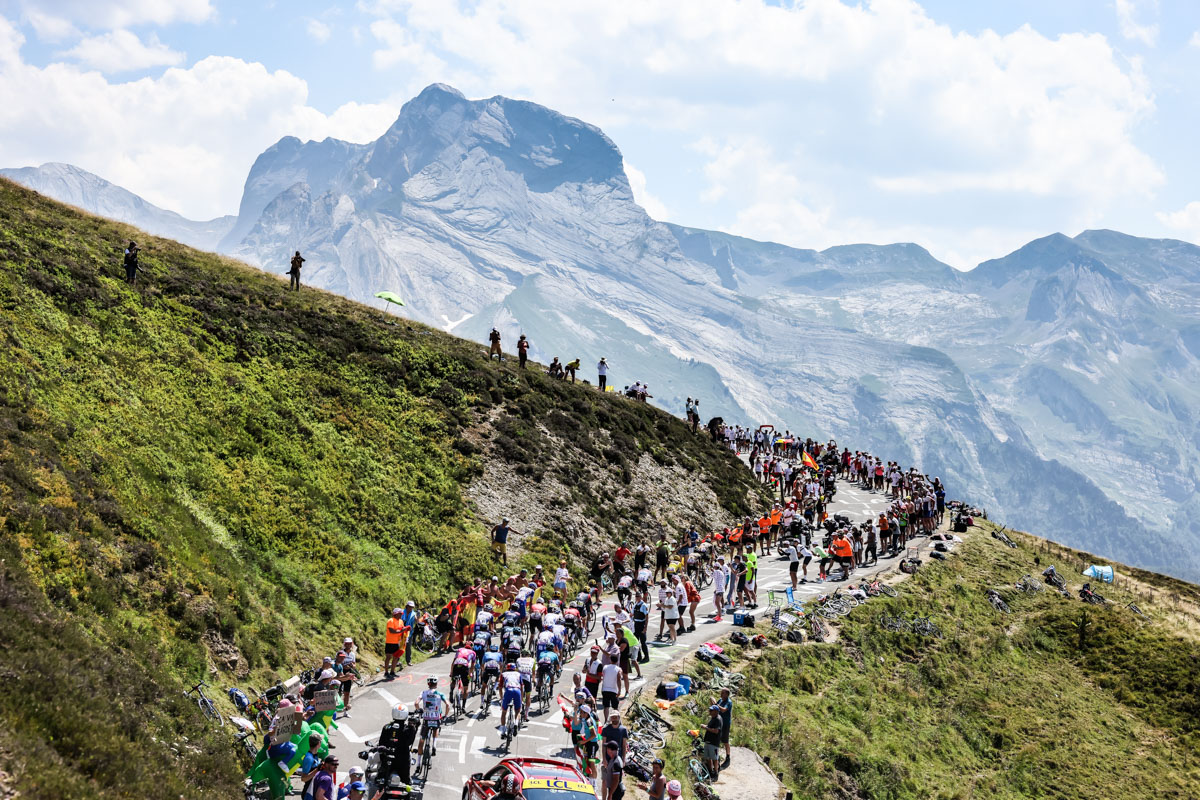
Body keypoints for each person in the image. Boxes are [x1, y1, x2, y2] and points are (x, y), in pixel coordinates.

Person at [376, 704, 418, 786]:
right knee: (407, 783)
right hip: (403, 762)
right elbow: (410, 742)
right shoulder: (409, 729)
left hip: (387, 762)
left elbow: (381, 743)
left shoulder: (386, 727)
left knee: (379, 781)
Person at [414, 676, 448, 766]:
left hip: (426, 718)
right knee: (436, 729)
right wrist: (445, 715)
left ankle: (418, 764)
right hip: (436, 717)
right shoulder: (440, 694)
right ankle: (434, 745)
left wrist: (419, 711)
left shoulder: (423, 693)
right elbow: (448, 705)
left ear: (428, 684)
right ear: (436, 684)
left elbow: (416, 703)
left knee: (422, 740)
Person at [298, 732, 325, 800]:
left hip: (314, 791)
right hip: (308, 793)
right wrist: (317, 770)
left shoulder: (315, 755)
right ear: (319, 743)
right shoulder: (309, 758)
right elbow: (303, 778)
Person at [384, 608, 408, 679]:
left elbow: (402, 628)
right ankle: (386, 672)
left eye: (401, 614)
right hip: (390, 641)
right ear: (396, 614)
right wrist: (401, 631)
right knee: (388, 657)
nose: (401, 615)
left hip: (398, 642)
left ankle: (392, 671)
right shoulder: (390, 621)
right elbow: (391, 631)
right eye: (400, 614)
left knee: (396, 657)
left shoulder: (401, 621)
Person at [702, 705, 723, 778]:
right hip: (708, 741)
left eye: (711, 710)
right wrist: (706, 727)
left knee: (715, 758)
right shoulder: (713, 718)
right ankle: (710, 772)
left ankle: (716, 773)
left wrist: (706, 728)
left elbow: (716, 731)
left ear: (716, 711)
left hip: (714, 743)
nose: (710, 711)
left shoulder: (718, 719)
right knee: (708, 758)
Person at [716, 687, 733, 767]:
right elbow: (716, 706)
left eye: (723, 693)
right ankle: (716, 756)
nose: (721, 694)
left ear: (726, 694)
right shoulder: (720, 700)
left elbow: (723, 710)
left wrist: (716, 705)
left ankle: (728, 757)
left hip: (725, 724)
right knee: (717, 739)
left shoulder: (729, 702)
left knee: (725, 741)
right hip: (719, 722)